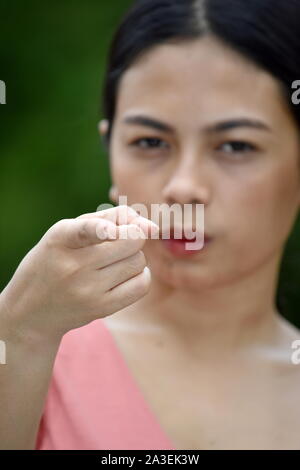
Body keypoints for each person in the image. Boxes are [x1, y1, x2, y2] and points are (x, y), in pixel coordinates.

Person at [1, 0, 300, 450]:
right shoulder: (32, 351)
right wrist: (16, 331)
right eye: (150, 141)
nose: (184, 188)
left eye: (236, 146)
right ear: (111, 150)